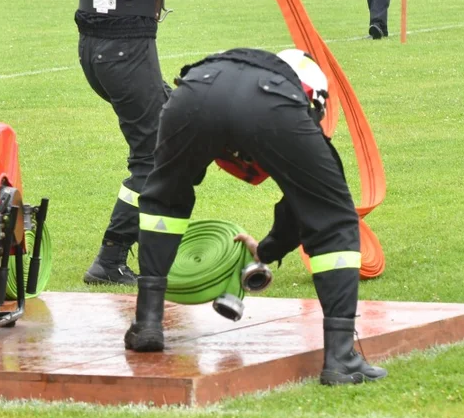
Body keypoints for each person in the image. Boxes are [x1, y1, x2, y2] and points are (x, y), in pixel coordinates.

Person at [125, 47, 386, 386]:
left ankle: (147, 323)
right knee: (335, 219)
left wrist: (266, 251)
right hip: (266, 103)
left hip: (192, 91)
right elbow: (304, 205)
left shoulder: (235, 68)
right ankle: (341, 356)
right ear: (312, 98)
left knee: (163, 197)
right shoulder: (291, 95)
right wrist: (270, 249)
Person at [58, 0, 195, 285]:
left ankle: (140, 246)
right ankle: (110, 256)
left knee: (168, 133)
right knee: (154, 156)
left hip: (95, 50)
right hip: (126, 52)